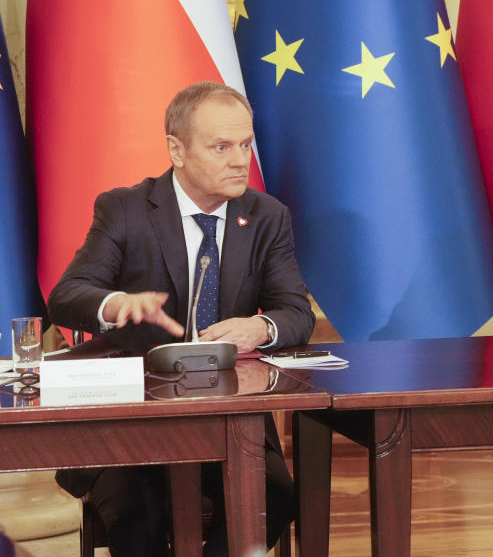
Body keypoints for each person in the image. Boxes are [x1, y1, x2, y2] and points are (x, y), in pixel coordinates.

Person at [49, 81, 316, 556]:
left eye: (245, 145)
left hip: (229, 418)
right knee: (139, 514)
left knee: (273, 497)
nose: (240, 161)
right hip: (130, 417)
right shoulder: (127, 209)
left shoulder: (266, 215)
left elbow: (295, 312)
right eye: (221, 147)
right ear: (177, 149)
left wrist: (261, 327)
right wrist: (115, 305)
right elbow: (67, 295)